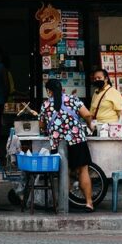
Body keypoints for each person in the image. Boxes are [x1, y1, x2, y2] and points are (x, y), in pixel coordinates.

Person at [39, 78, 95, 212]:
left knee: (64, 172)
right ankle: (89, 203)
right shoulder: (73, 99)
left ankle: (63, 203)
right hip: (77, 140)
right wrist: (89, 125)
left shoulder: (45, 105)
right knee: (83, 170)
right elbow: (87, 114)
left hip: (58, 144)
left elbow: (41, 126)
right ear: (62, 89)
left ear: (49, 91)